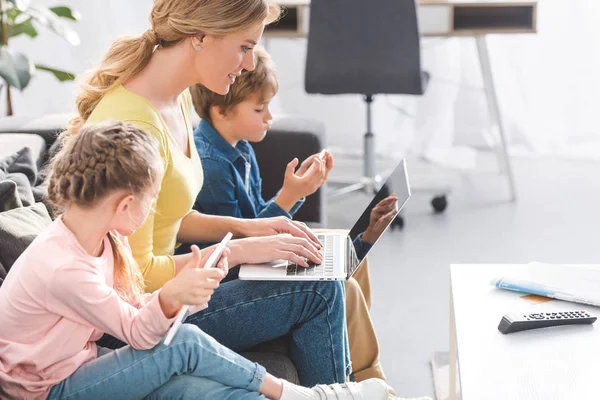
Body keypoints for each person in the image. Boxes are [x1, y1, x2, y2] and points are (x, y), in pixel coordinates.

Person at [68, 0, 353, 389]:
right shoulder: (135, 126)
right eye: (244, 46)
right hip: (139, 317)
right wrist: (237, 250)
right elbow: (135, 279)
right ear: (200, 37)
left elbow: (166, 214)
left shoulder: (176, 98)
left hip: (174, 289)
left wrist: (253, 227)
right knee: (318, 291)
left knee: (323, 270)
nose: (250, 63)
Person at [0, 122, 390, 400]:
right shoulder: (64, 269)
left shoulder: (101, 237)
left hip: (81, 363)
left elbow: (133, 307)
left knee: (204, 389)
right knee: (184, 343)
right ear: (124, 204)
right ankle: (304, 395)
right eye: (152, 201)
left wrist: (192, 288)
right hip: (51, 390)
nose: (153, 211)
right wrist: (173, 297)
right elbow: (138, 333)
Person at [188, 45, 388, 382]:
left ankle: (360, 369)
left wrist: (295, 195)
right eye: (259, 109)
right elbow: (243, 240)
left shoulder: (240, 147)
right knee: (341, 286)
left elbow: (256, 222)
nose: (269, 118)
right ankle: (365, 380)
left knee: (351, 251)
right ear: (221, 110)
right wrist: (290, 195)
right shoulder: (213, 165)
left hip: (247, 257)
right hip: (228, 274)